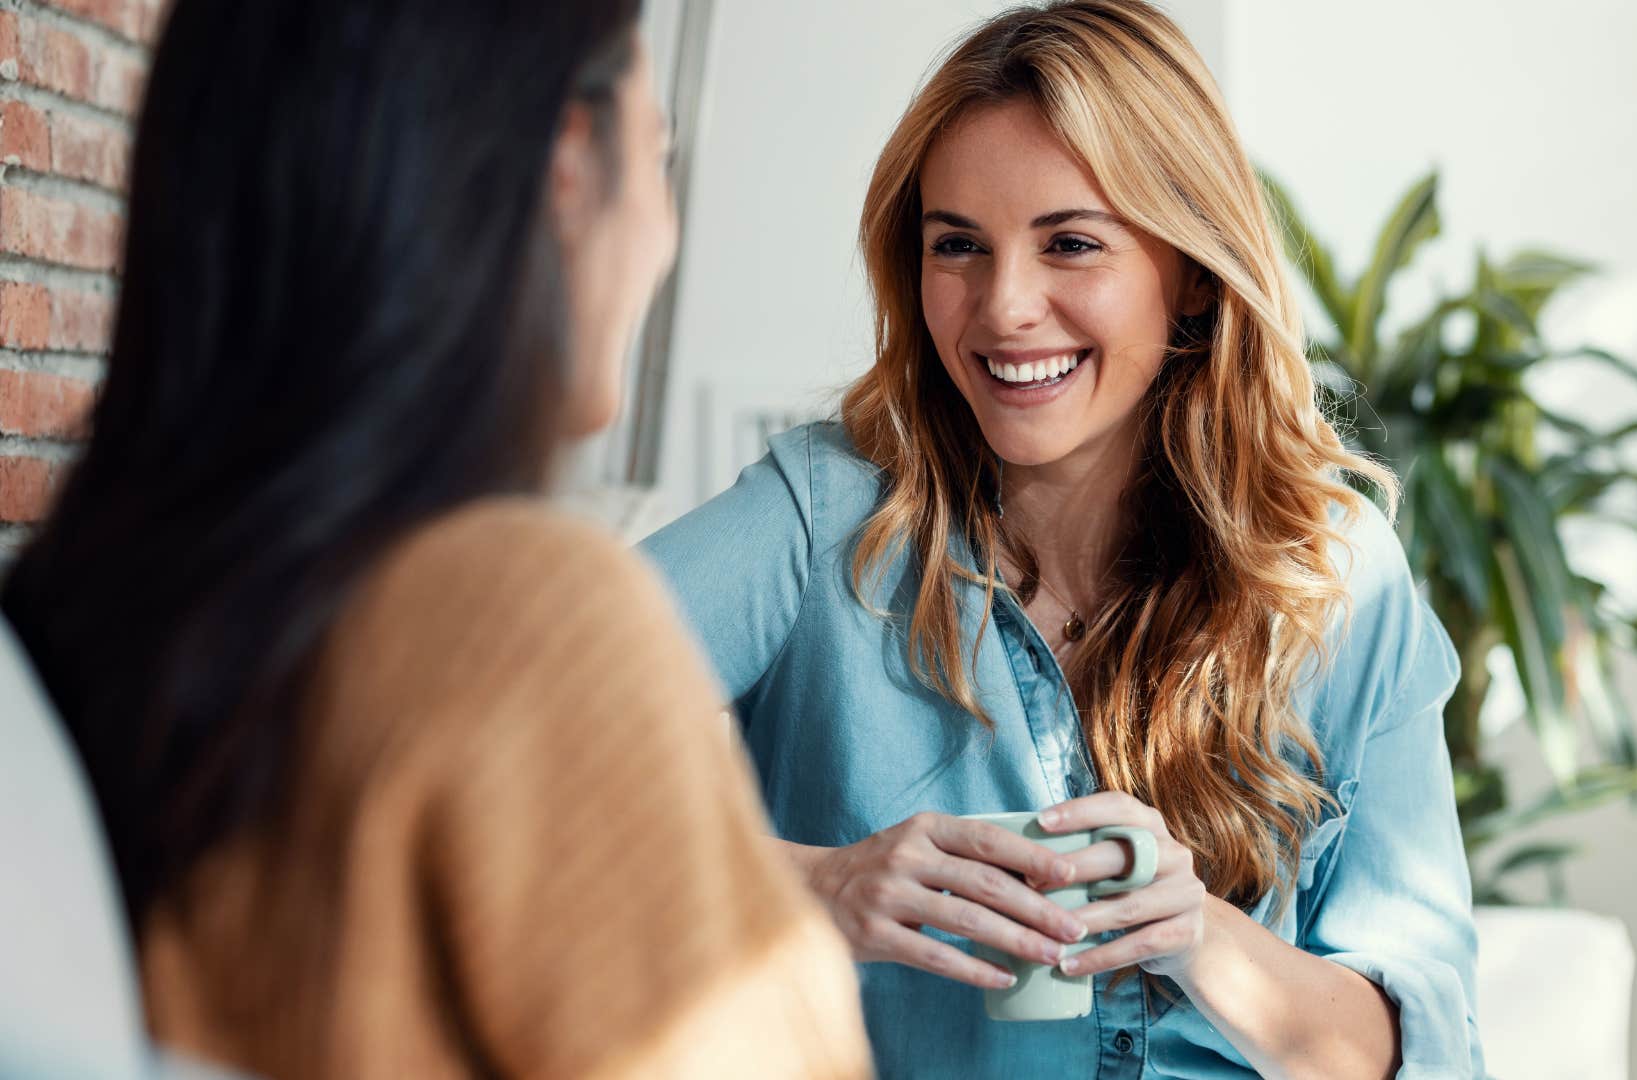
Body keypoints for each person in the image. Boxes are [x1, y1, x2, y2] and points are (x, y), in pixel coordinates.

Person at [0, 1, 870, 1077]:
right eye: (661, 151)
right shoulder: (527, 614)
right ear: (566, 162)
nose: (664, 225)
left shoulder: (104, 597)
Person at [642, 1, 1481, 1077]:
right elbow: (484, 723)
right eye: (960, 247)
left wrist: (1197, 936)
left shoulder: (1333, 574)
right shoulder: (825, 520)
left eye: (1071, 242)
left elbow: (1417, 1053)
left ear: (1187, 268)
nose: (1004, 308)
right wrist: (812, 885)